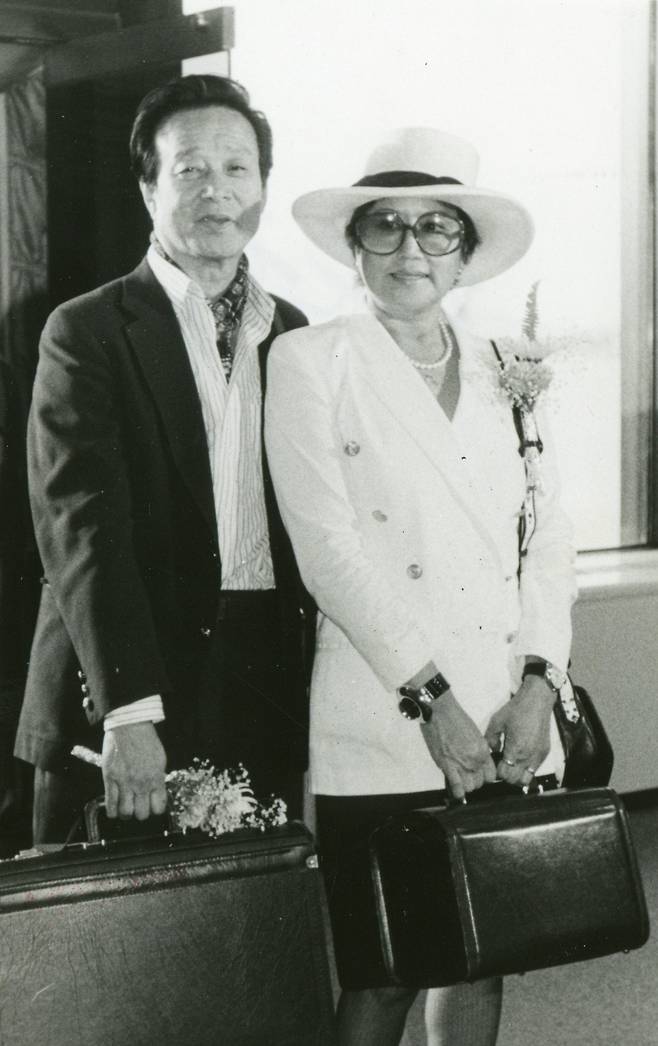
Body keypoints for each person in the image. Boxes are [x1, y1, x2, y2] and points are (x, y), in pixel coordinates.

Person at [264, 128, 576, 1046]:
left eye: (437, 228)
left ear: (466, 251)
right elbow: (327, 551)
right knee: (383, 975)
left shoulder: (514, 368)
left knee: (480, 958)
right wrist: (430, 699)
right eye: (387, 227)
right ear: (356, 246)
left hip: (509, 714)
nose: (411, 251)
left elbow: (548, 541)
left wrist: (538, 684)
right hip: (385, 705)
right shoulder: (312, 360)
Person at [15, 74, 315, 844]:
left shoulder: (292, 331)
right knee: (110, 949)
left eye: (237, 168)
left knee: (251, 933)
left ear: (263, 187)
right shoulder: (86, 331)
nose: (217, 190)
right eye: (190, 169)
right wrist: (131, 711)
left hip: (259, 678)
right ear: (149, 189)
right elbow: (82, 530)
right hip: (127, 684)